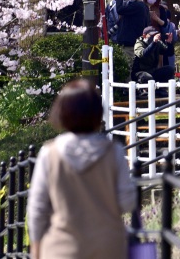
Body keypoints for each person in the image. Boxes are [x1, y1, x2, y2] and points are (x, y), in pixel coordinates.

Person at [28, 80, 134, 259]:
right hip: (108, 247)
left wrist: (36, 248)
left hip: (61, 248)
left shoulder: (49, 154)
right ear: (97, 112)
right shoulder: (112, 151)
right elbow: (127, 201)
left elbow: (37, 210)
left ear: (62, 113)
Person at [113, 0, 149, 66]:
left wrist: (119, 0)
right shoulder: (142, 6)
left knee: (127, 67)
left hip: (130, 44)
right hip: (134, 42)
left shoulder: (137, 5)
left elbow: (120, 10)